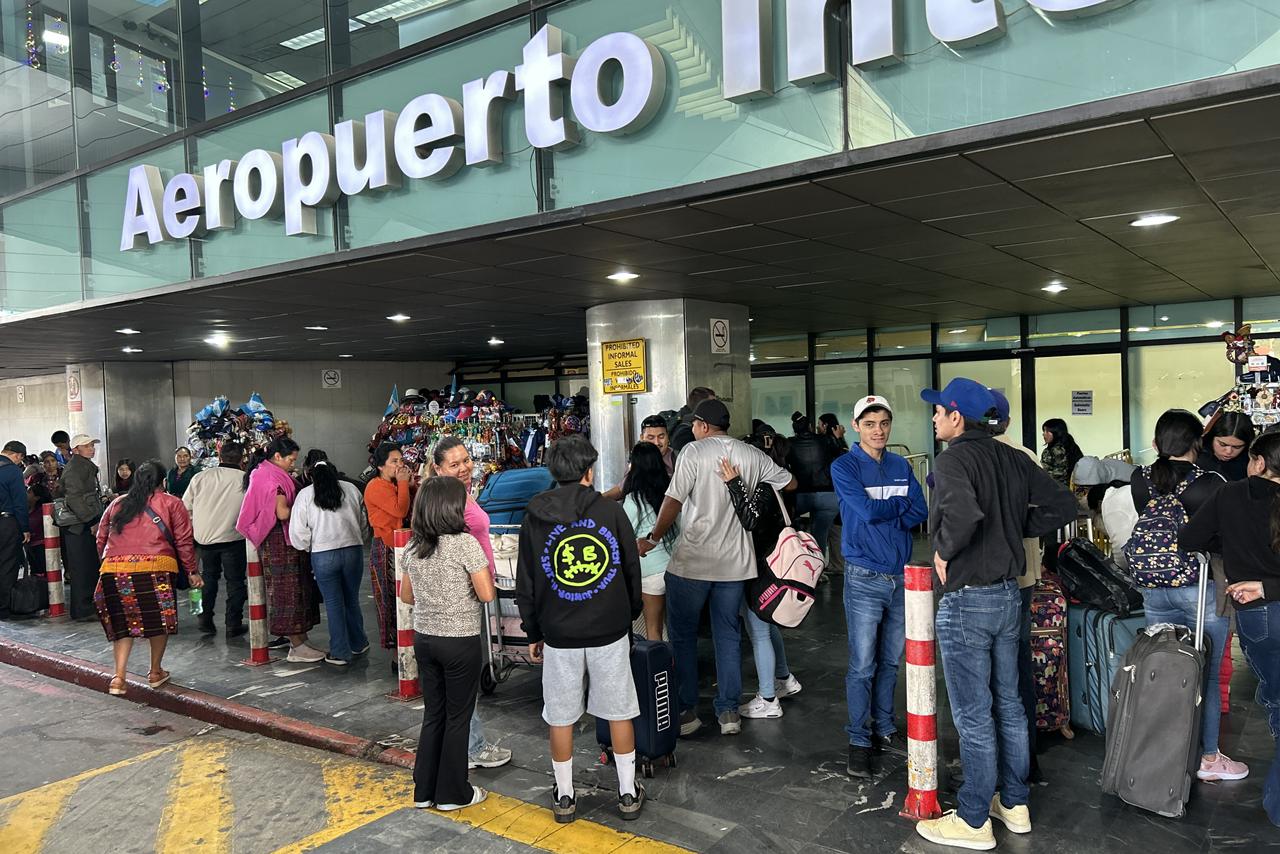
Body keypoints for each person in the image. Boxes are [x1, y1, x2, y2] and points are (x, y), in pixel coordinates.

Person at [915, 378, 1076, 850]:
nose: (934, 419)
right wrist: (1016, 525)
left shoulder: (952, 460)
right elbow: (1063, 503)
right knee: (1008, 703)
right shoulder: (1012, 457)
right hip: (1008, 595)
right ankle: (1014, 802)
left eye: (938, 411)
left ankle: (972, 819)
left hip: (968, 598)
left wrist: (943, 550)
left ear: (956, 417)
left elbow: (963, 516)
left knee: (973, 714)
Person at [640, 398, 796, 736]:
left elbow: (673, 499)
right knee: (728, 635)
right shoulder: (752, 454)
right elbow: (790, 483)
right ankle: (728, 713)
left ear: (702, 425)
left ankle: (687, 711)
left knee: (683, 636)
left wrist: (653, 538)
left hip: (692, 563)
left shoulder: (693, 452)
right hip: (736, 566)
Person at [515, 435, 646, 823]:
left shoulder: (534, 517)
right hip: (610, 630)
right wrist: (629, 613)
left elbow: (527, 580)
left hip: (559, 634)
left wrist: (533, 631)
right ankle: (627, 792)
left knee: (560, 716)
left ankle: (566, 796)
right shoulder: (611, 512)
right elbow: (630, 568)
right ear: (589, 472)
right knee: (619, 711)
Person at [1127, 408, 1244, 782]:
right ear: (1198, 443)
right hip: (1198, 585)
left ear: (1156, 443)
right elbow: (1222, 534)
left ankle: (1166, 755)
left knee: (1161, 671)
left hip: (1153, 589)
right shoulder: (1210, 482)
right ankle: (1208, 758)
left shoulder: (1139, 479)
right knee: (1203, 672)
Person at [1182, 430, 1280, 826]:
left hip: (1257, 616)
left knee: (1277, 703)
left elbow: (1190, 537)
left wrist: (1236, 547)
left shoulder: (1230, 494)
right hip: (1265, 602)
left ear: (1258, 462)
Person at [830, 396, 928, 778]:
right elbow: (868, 513)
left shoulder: (901, 465)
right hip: (864, 577)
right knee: (862, 664)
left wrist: (894, 510)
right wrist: (899, 507)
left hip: (901, 577)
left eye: (884, 423)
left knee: (890, 661)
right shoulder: (844, 466)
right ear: (856, 426)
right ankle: (858, 739)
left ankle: (884, 727)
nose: (878, 431)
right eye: (870, 424)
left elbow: (922, 510)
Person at [400, 476, 495, 811]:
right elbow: (486, 594)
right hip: (459, 641)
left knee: (434, 714)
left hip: (425, 639)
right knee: (458, 716)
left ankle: (425, 791)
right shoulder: (464, 544)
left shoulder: (414, 546)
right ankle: (454, 793)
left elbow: (406, 596)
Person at [429, 437, 511, 770]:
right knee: (461, 678)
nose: (464, 468)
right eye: (454, 464)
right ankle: (470, 748)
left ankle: (462, 746)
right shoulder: (446, 502)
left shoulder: (458, 494)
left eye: (466, 460)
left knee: (460, 678)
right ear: (438, 468)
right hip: (461, 598)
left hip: (467, 594)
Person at [94, 460, 202, 696]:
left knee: (122, 625)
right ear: (163, 481)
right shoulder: (172, 503)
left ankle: (118, 677)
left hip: (114, 570)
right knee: (157, 621)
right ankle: (154, 672)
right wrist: (192, 571)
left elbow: (101, 538)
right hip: (156, 569)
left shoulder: (117, 503)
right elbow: (184, 541)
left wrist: (108, 562)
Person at [990, 390, 1046, 784]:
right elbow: (1046, 510)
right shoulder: (1026, 456)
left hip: (984, 578)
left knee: (987, 671)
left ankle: (994, 763)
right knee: (1019, 662)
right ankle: (1027, 759)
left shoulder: (970, 457)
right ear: (1008, 421)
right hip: (1023, 574)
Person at [720, 456, 803, 721]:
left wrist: (734, 484)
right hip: (770, 566)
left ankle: (768, 699)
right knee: (767, 625)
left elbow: (750, 521)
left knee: (758, 633)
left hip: (759, 568)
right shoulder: (772, 486)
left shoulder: (763, 488)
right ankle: (783, 678)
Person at [236, 437, 323, 662]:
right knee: (287, 593)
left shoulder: (272, 473)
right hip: (278, 542)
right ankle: (296, 645)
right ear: (277, 456)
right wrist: (304, 508)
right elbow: (282, 512)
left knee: (298, 590)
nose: (293, 464)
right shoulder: (267, 476)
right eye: (291, 460)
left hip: (287, 540)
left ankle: (301, 640)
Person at [290, 454, 369, 666]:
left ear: (311, 476)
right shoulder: (351, 489)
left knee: (334, 603)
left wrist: (309, 547)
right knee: (351, 598)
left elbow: (298, 532)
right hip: (353, 551)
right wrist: (358, 539)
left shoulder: (305, 494)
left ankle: (340, 652)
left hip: (323, 554)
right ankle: (359, 642)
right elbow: (363, 522)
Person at [183, 442, 248, 637]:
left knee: (209, 578)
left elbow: (185, 507)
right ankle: (233, 624)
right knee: (235, 582)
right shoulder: (245, 479)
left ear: (220, 457)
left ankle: (205, 619)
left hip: (205, 540)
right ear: (242, 459)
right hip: (233, 538)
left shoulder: (200, 477)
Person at [620, 442, 677, 640]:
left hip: (650, 571)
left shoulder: (634, 499)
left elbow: (624, 535)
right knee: (678, 628)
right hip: (675, 567)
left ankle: (661, 661)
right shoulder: (671, 495)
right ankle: (679, 659)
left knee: (654, 630)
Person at [364, 442, 410, 653]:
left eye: (401, 460)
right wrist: (403, 483)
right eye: (394, 461)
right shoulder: (376, 486)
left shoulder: (393, 484)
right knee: (390, 598)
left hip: (401, 545)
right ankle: (395, 652)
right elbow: (400, 510)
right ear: (381, 466)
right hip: (386, 548)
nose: (400, 465)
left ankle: (407, 646)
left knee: (404, 596)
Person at [58, 434, 107, 621]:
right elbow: (74, 498)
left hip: (82, 524)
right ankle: (83, 609)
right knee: (82, 567)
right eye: (86, 446)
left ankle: (89, 606)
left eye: (92, 445)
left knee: (88, 565)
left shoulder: (83, 465)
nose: (91, 449)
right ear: (76, 449)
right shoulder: (75, 468)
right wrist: (91, 521)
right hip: (78, 527)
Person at [786, 412, 840, 559]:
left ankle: (799, 563)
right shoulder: (826, 440)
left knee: (792, 530)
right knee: (820, 534)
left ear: (794, 429)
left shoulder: (789, 443)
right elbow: (839, 456)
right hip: (828, 496)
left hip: (801, 496)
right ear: (810, 426)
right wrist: (837, 438)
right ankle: (818, 566)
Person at [601, 415, 675, 501]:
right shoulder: (637, 459)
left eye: (661, 437)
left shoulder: (678, 459)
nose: (656, 442)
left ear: (668, 437)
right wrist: (597, 500)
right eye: (651, 438)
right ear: (642, 438)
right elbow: (623, 488)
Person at [0, 441, 30, 619]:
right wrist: (24, 528)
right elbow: (20, 502)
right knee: (7, 564)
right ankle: (3, 608)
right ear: (18, 456)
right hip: (6, 523)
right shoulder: (12, 471)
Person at [1201, 412, 1256, 482]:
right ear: (1212, 437)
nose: (1228, 451)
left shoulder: (1251, 463)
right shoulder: (1196, 455)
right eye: (1222, 444)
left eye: (1237, 447)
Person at [669, 387, 716, 455]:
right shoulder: (685, 433)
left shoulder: (692, 422)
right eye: (712, 404)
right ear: (701, 406)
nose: (716, 407)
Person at [1041, 418, 1083, 487]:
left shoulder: (1057, 450)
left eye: (1047, 431)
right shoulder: (1069, 446)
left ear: (1056, 432)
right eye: (1044, 431)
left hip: (1056, 488)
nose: (1044, 434)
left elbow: (1060, 473)